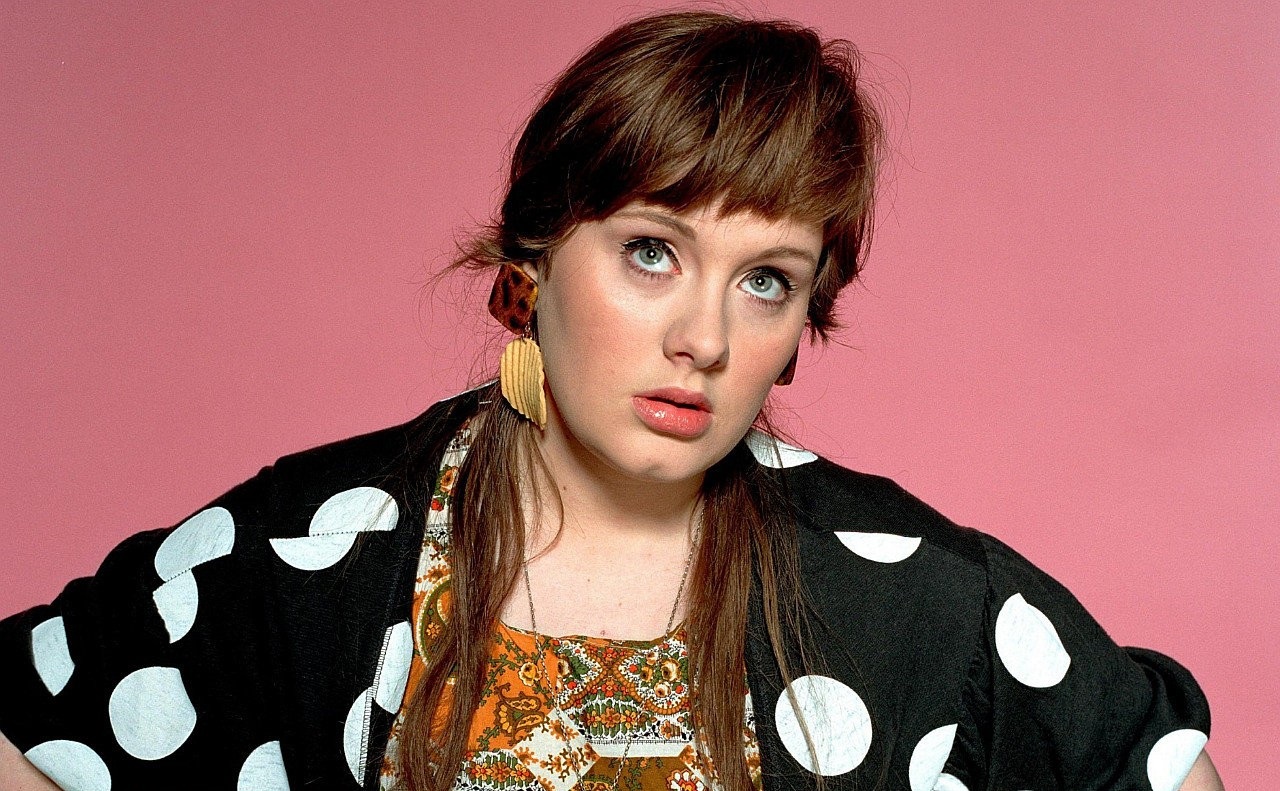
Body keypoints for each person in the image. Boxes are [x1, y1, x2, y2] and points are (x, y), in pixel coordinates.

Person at [0, 11, 1223, 791]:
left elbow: (1153, 762)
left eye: (764, 279)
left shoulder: (920, 596)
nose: (703, 337)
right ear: (531, 261)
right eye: (650, 251)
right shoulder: (306, 552)